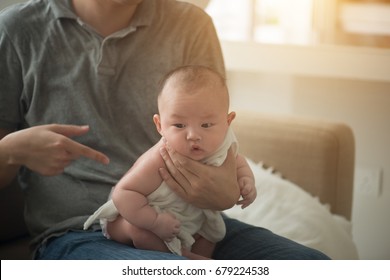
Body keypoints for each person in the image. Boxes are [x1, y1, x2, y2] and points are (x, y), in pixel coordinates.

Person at [0, 0, 330, 259]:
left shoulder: (190, 26)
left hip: (186, 221)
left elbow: (221, 161)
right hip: (75, 234)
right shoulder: (18, 30)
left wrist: (228, 189)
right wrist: (11, 150)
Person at [83, 65, 257, 259]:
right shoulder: (158, 159)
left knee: (210, 235)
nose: (193, 135)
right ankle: (183, 256)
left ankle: (192, 254)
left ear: (228, 121)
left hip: (186, 219)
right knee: (141, 232)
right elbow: (123, 193)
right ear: (160, 126)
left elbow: (237, 162)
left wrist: (246, 181)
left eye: (206, 125)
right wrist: (154, 221)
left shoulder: (223, 145)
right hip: (134, 216)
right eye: (179, 125)